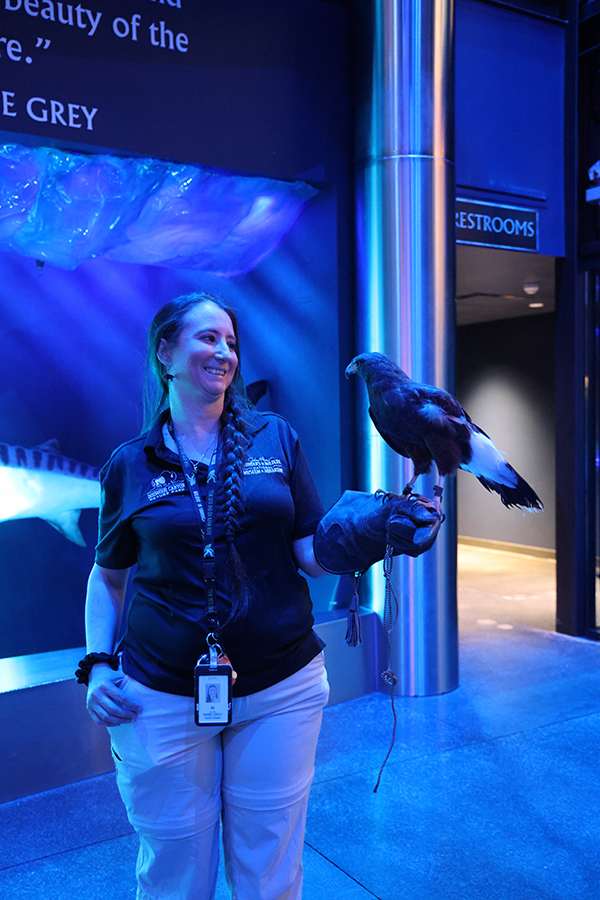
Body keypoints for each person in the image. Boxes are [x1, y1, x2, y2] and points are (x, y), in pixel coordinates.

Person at [79, 291, 441, 900]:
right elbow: (108, 574)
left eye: (230, 341)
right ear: (165, 351)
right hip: (160, 695)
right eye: (206, 338)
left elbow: (309, 549)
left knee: (270, 872)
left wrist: (371, 535)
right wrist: (95, 665)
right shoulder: (131, 464)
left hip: (282, 687)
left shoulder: (275, 439)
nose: (224, 351)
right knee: (172, 877)